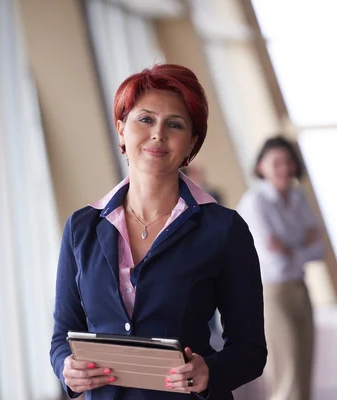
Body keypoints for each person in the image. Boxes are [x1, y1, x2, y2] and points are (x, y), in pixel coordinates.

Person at [49, 64, 267, 400]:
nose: (158, 134)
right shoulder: (82, 228)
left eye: (175, 124)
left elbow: (251, 350)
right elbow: (62, 336)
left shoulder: (224, 229)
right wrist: (66, 367)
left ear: (191, 143)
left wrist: (211, 371)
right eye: (145, 119)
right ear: (121, 129)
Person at [237, 136, 325, 400]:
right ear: (260, 167)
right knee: (285, 376)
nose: (284, 168)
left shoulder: (298, 196)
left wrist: (288, 248)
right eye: (276, 163)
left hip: (299, 287)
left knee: (304, 372)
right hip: (270, 293)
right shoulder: (255, 202)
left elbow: (319, 249)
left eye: (288, 162)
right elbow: (273, 258)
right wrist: (301, 244)